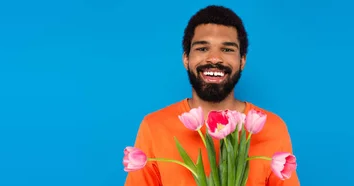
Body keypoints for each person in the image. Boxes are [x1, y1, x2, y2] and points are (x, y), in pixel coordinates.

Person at [124, 5, 300, 186]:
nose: (214, 58)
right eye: (202, 48)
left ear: (242, 61)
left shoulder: (271, 127)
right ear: (186, 59)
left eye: (227, 49)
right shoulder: (154, 127)